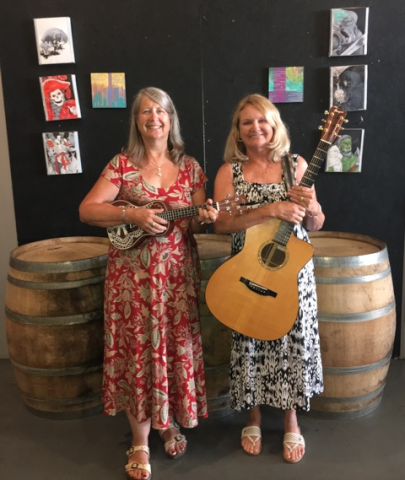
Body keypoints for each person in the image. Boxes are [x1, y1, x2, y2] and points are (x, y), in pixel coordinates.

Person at [79, 86, 218, 480]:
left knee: (172, 349)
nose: (153, 117)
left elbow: (192, 221)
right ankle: (140, 439)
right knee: (138, 351)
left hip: (176, 281)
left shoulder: (190, 167)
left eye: (160, 111)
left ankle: (166, 420)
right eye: (145, 112)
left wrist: (202, 216)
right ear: (136, 121)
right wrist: (133, 214)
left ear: (171, 118)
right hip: (132, 284)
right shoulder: (122, 164)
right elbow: (88, 209)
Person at [212, 94, 324, 463]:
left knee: (293, 340)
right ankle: (254, 415)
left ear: (275, 125)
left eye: (263, 120)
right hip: (248, 268)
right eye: (247, 122)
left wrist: (310, 209)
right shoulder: (231, 171)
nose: (256, 127)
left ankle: (292, 420)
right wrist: (270, 209)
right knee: (249, 340)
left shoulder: (297, 165)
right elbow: (223, 224)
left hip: (291, 270)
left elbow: (316, 223)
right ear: (238, 132)